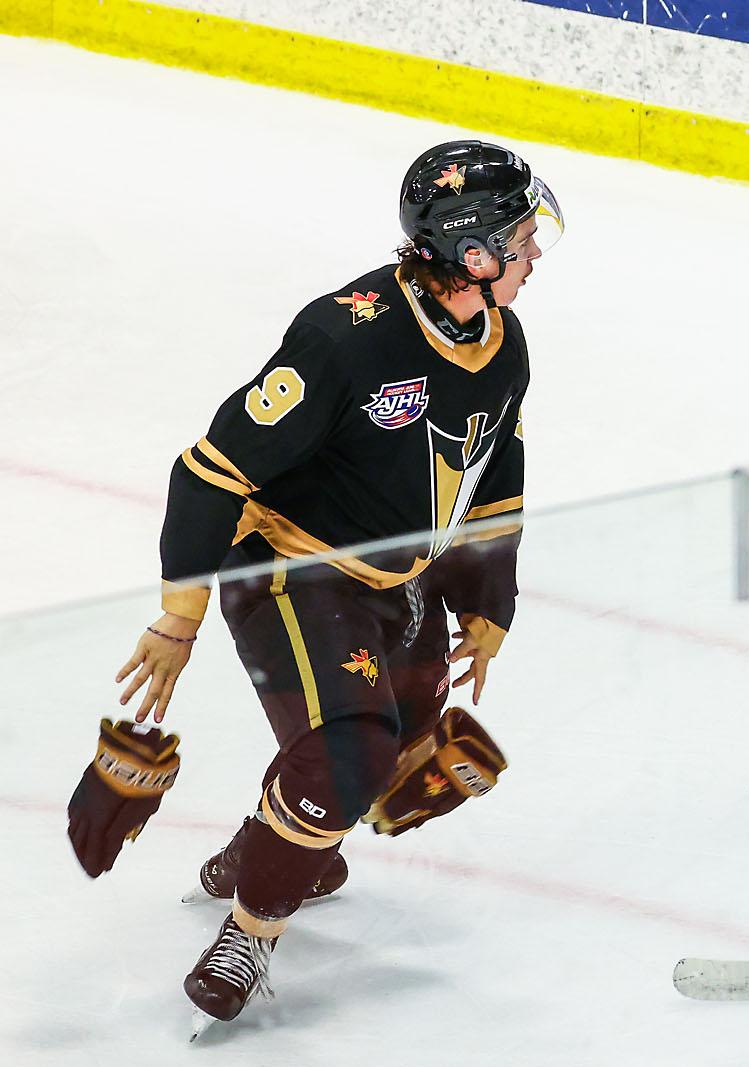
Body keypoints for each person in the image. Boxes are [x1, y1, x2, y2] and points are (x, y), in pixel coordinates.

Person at [101, 139, 563, 1033]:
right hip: (286, 570)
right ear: (473, 255)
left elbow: (494, 463)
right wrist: (177, 616)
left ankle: (260, 852)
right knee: (349, 756)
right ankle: (249, 933)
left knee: (405, 756)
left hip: (400, 578)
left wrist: (485, 601)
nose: (534, 252)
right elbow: (208, 471)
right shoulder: (343, 336)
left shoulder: (500, 344)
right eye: (521, 237)